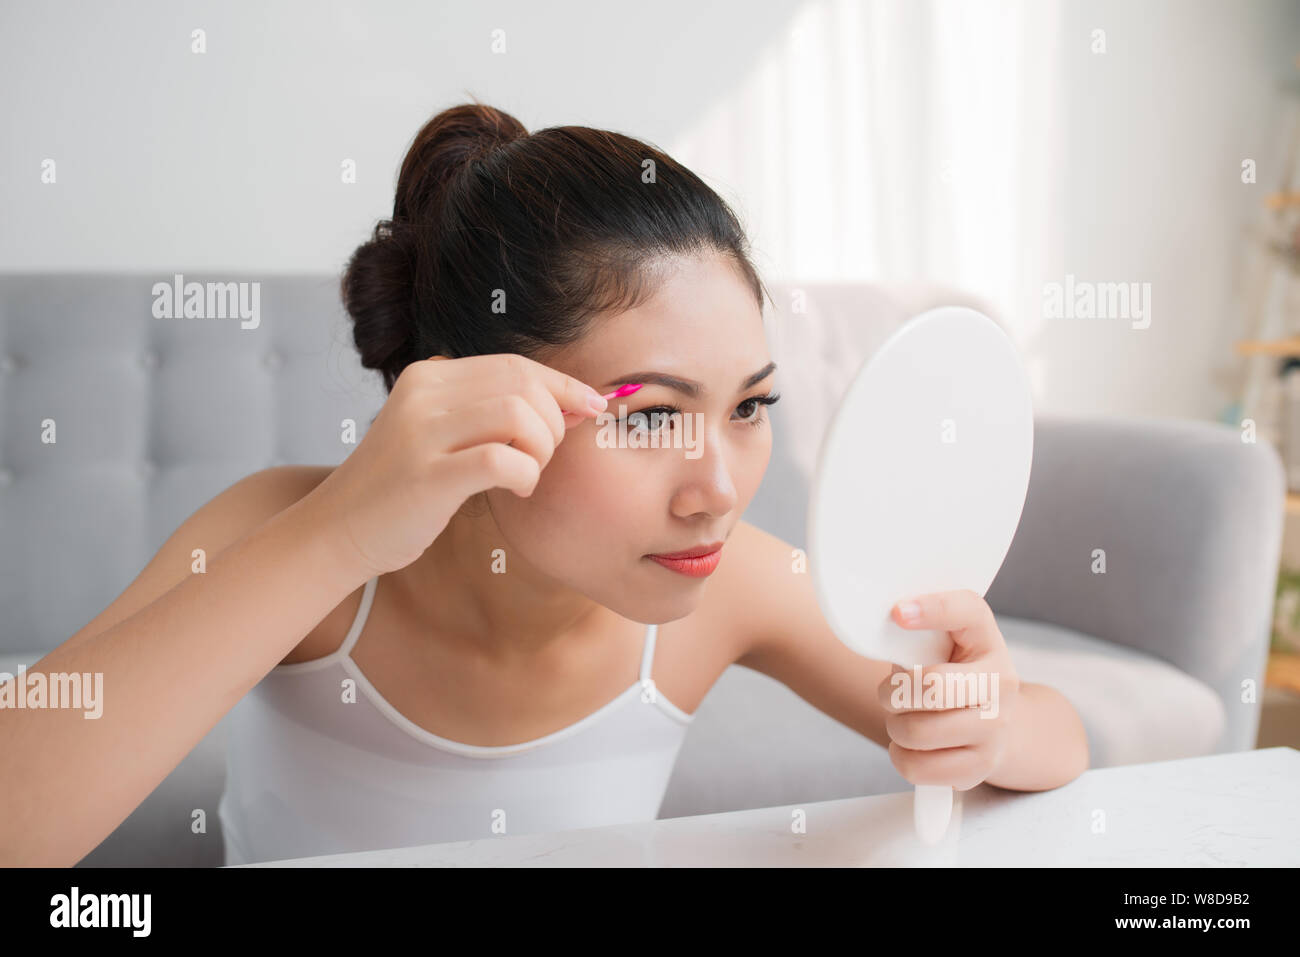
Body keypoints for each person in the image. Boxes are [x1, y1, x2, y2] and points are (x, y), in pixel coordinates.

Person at [0, 101, 1089, 867]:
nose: (717, 487)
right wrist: (338, 534)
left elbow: (1053, 735)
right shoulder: (293, 535)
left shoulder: (732, 585)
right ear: (477, 399)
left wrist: (984, 725)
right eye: (652, 414)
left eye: (749, 407)